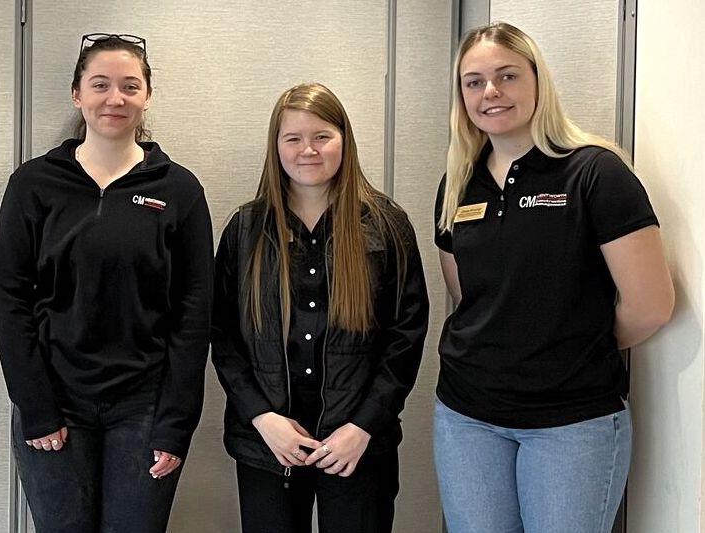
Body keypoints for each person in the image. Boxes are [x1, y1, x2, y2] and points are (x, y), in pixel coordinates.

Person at [433, 22, 674, 533]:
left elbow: (651, 304)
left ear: (538, 81)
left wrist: (564, 344)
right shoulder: (458, 183)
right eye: (473, 82)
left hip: (571, 424)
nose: (490, 92)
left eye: (507, 75)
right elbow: (467, 294)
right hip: (468, 416)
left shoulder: (595, 174)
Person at [0, 33, 213, 532]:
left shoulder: (179, 189)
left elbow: (194, 311)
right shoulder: (34, 184)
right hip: (55, 401)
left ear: (147, 95)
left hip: (145, 407)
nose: (115, 98)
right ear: (78, 94)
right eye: (100, 85)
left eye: (130, 86)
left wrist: (176, 421)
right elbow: (9, 299)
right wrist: (36, 406)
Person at [211, 82, 429, 533]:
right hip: (268, 448)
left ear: (344, 141)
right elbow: (223, 336)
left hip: (358, 448)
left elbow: (405, 337)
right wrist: (263, 418)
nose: (307, 149)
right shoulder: (246, 230)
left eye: (322, 136)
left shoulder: (386, 226)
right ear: (276, 147)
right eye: (293, 138)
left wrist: (363, 427)